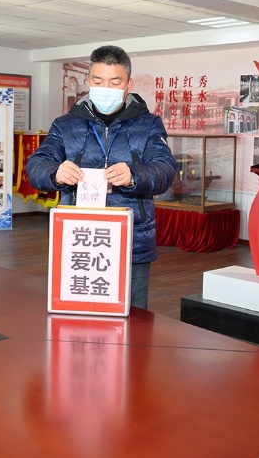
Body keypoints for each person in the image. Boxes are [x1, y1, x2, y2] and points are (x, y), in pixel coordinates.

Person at [26, 45, 177, 310]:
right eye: (98, 81)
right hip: (78, 240)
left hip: (132, 240)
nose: (105, 88)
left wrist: (134, 175)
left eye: (115, 82)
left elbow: (165, 170)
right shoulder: (65, 124)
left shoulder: (149, 124)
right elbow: (36, 166)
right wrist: (55, 171)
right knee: (78, 314)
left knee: (133, 317)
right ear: (88, 80)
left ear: (128, 84)